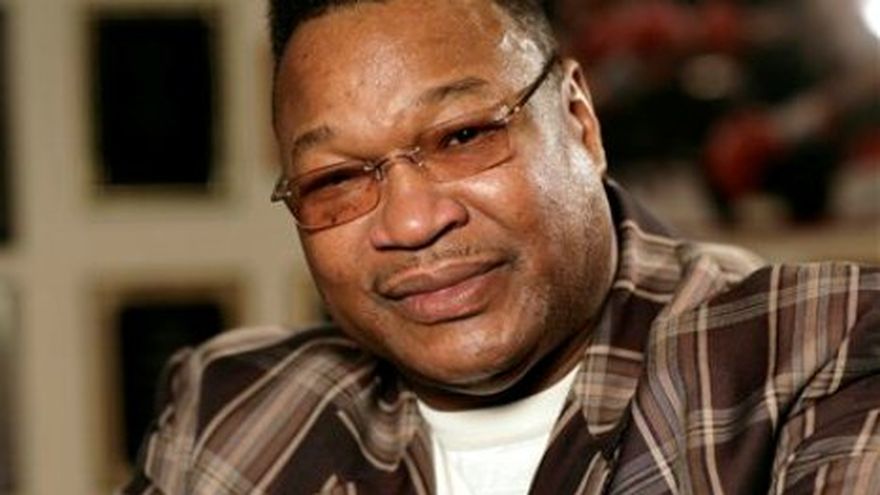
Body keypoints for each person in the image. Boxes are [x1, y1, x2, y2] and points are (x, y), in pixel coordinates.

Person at [122, 0, 880, 493]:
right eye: (336, 178)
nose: (411, 223)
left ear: (580, 122)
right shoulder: (228, 413)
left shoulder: (820, 347)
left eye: (462, 137)